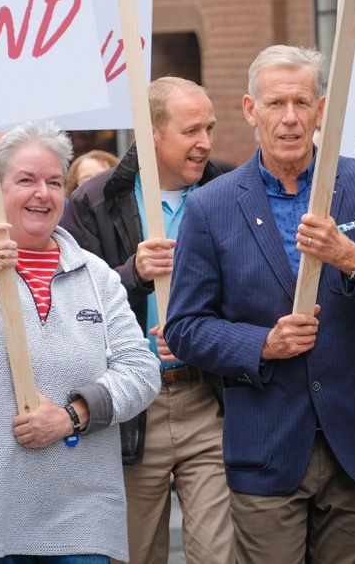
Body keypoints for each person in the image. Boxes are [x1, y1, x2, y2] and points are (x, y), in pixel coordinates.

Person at [165, 45, 355, 564]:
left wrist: (351, 257)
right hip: (267, 444)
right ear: (250, 110)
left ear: (321, 110)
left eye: (301, 102)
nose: (289, 117)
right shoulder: (211, 206)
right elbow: (185, 327)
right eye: (275, 103)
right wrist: (262, 343)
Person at [0, 121, 160, 564]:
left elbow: (141, 373)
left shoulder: (96, 275)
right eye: (26, 180)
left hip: (82, 518)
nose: (42, 194)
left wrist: (73, 416)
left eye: (52, 181)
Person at [62, 77, 235, 564]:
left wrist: (207, 337)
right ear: (151, 133)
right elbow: (74, 303)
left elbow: (255, 292)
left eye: (210, 128)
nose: (205, 142)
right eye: (191, 130)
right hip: (134, 411)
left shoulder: (229, 191)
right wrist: (133, 273)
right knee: (134, 554)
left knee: (220, 555)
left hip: (210, 399)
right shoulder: (94, 202)